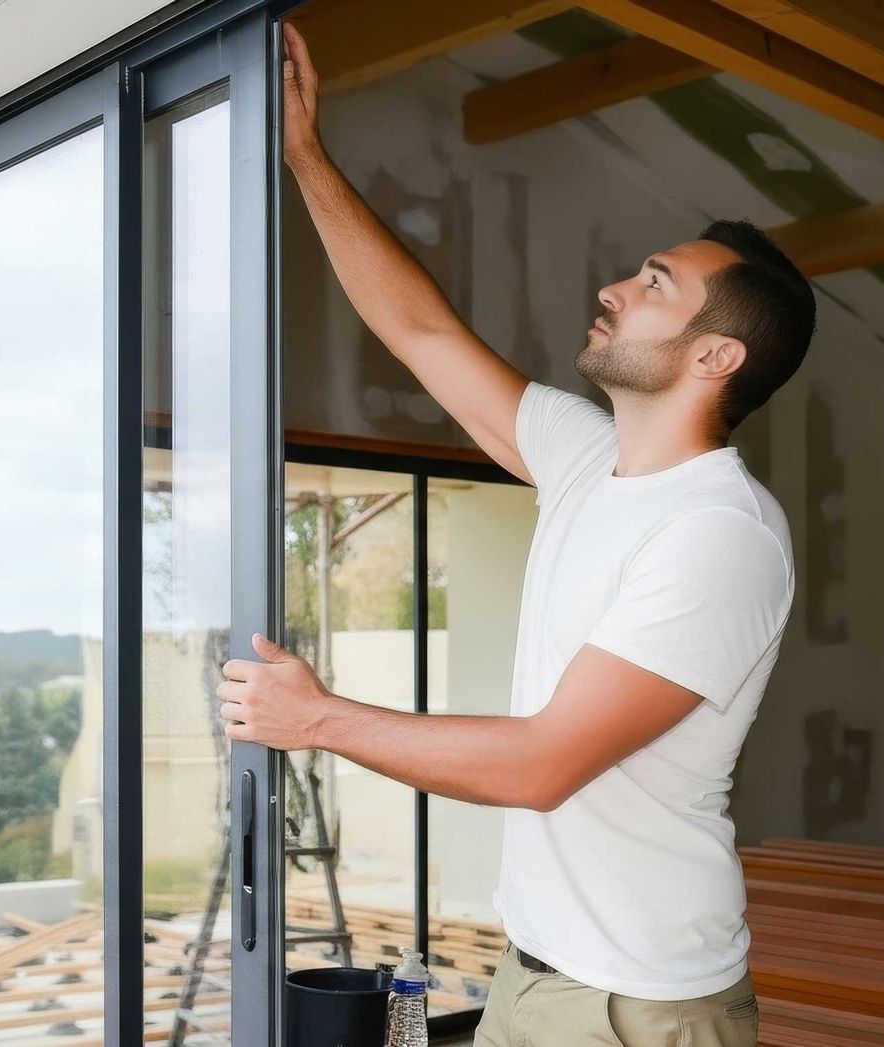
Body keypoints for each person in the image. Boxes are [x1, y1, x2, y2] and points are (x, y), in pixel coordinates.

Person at [215, 23, 817, 1046]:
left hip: (638, 1006)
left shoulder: (723, 533)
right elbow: (422, 332)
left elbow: (543, 764)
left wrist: (314, 719)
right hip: (536, 976)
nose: (614, 290)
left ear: (715, 355)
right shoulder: (589, 462)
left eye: (654, 285)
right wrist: (304, 155)